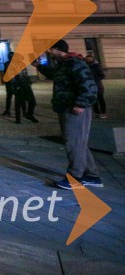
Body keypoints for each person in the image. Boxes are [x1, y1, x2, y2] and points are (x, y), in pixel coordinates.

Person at [36, 40, 102, 189]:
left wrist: (81, 103)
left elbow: (89, 86)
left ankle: (75, 177)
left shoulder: (75, 63)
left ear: (58, 49)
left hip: (75, 109)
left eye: (50, 49)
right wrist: (38, 66)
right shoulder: (64, 63)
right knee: (79, 143)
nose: (48, 52)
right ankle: (92, 176)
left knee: (73, 142)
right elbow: (55, 75)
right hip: (66, 107)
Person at [85, 55, 107, 119]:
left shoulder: (97, 66)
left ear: (93, 59)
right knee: (94, 100)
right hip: (90, 86)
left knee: (100, 99)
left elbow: (102, 75)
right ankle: (97, 112)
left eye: (89, 59)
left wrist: (94, 80)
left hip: (98, 86)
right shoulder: (86, 66)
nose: (88, 60)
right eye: (87, 59)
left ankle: (103, 113)